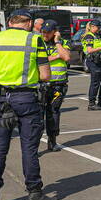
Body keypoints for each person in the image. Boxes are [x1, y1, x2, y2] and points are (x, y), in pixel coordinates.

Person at [0, 9, 58, 200]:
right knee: (29, 148)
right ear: (29, 23)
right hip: (26, 99)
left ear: (10, 22)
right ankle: (34, 194)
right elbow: (46, 75)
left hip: (0, 99)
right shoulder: (34, 40)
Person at [40, 20, 70, 152]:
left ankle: (52, 141)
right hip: (41, 83)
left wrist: (57, 42)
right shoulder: (38, 42)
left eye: (48, 32)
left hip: (58, 84)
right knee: (38, 114)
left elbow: (67, 57)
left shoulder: (63, 42)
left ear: (55, 32)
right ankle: (34, 143)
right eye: (43, 32)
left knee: (53, 112)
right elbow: (40, 59)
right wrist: (57, 56)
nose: (45, 34)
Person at [82, 20, 101, 110]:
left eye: (99, 27)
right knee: (95, 83)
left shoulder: (98, 35)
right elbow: (89, 50)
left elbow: (100, 47)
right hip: (93, 61)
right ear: (92, 26)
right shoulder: (89, 36)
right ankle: (91, 104)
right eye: (97, 27)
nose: (99, 29)